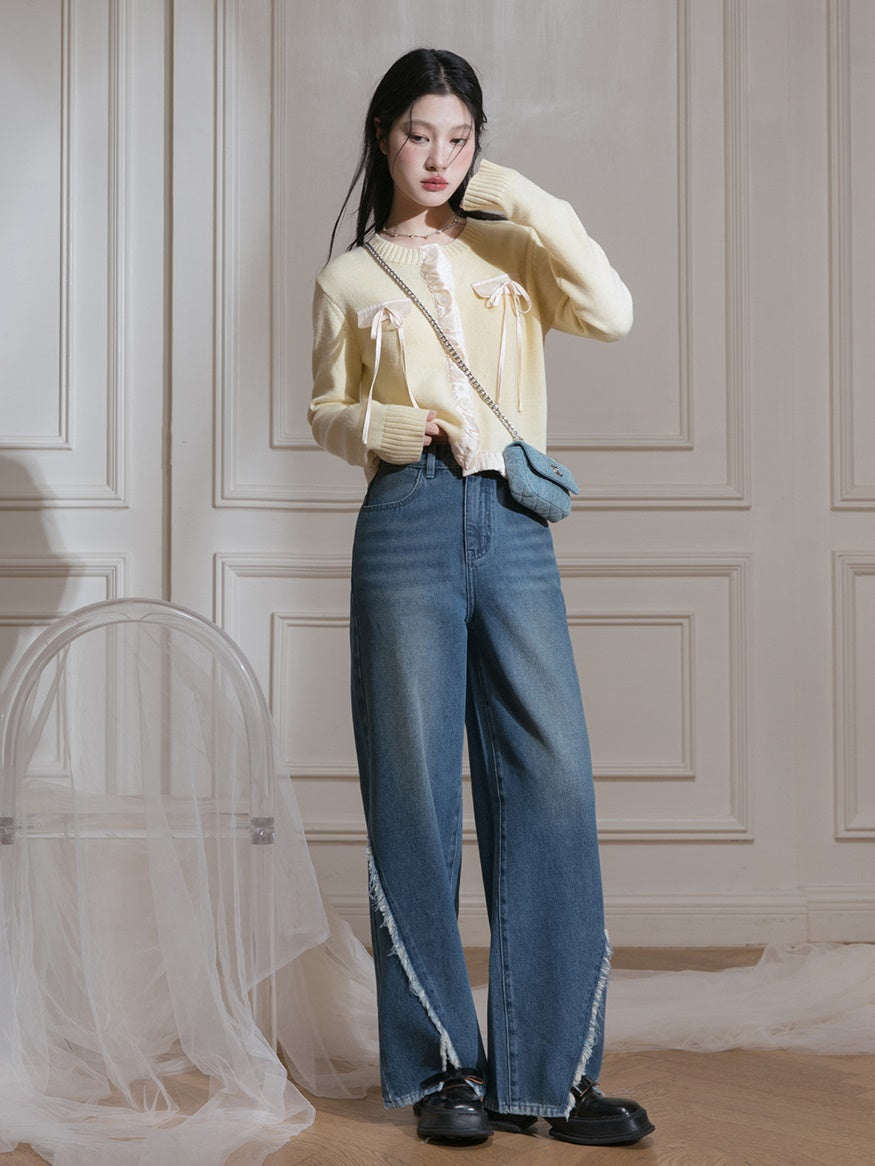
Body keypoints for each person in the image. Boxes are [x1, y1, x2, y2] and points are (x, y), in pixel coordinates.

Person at [308, 47, 654, 1148]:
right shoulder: (351, 276)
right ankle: (440, 1071)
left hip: (512, 522)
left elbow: (612, 311)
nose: (439, 158)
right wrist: (389, 426)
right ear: (384, 137)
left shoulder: (511, 248)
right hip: (404, 519)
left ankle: (550, 1077)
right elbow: (325, 408)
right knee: (412, 791)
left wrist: (523, 195)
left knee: (549, 779)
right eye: (420, 135)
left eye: (459, 139)